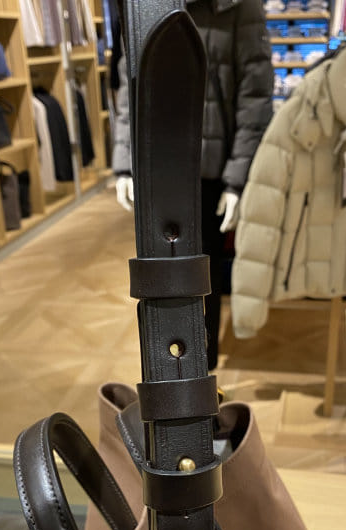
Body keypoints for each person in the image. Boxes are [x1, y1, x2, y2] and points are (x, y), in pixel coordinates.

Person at [113, 0, 273, 370]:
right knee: (159, 273)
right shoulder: (143, 3)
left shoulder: (240, 8)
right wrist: (125, 163)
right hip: (155, 164)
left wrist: (236, 179)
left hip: (212, 172)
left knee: (204, 274)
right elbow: (129, 85)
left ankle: (203, 368)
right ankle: (169, 372)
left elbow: (254, 98)